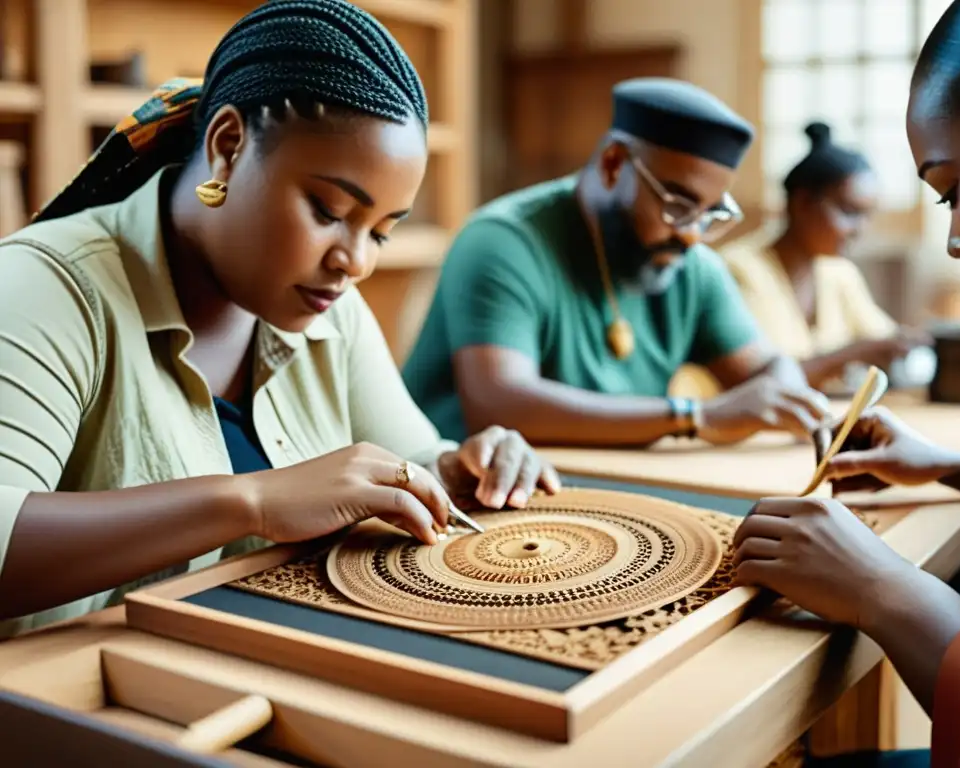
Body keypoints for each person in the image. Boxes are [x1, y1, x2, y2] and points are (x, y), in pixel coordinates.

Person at [0, 0, 560, 638]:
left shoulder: (332, 311)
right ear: (229, 146)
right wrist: (255, 502)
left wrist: (463, 472)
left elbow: (410, 462)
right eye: (328, 210)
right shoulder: (46, 287)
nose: (355, 262)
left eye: (381, 231)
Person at [732, 1, 960, 765]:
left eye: (954, 186)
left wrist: (884, 587)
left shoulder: (834, 274)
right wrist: (957, 469)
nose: (954, 235)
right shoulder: (739, 273)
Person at [402, 78, 831, 448]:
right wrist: (694, 416)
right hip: (463, 493)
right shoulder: (502, 241)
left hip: (601, 486)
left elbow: (764, 368)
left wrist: (786, 392)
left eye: (710, 213)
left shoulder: (690, 263)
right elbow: (499, 403)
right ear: (613, 164)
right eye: (678, 204)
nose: (691, 233)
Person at [720, 122, 931, 391]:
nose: (860, 230)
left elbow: (881, 338)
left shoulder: (838, 272)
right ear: (802, 203)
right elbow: (757, 379)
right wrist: (853, 353)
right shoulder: (739, 269)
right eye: (849, 212)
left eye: (867, 215)